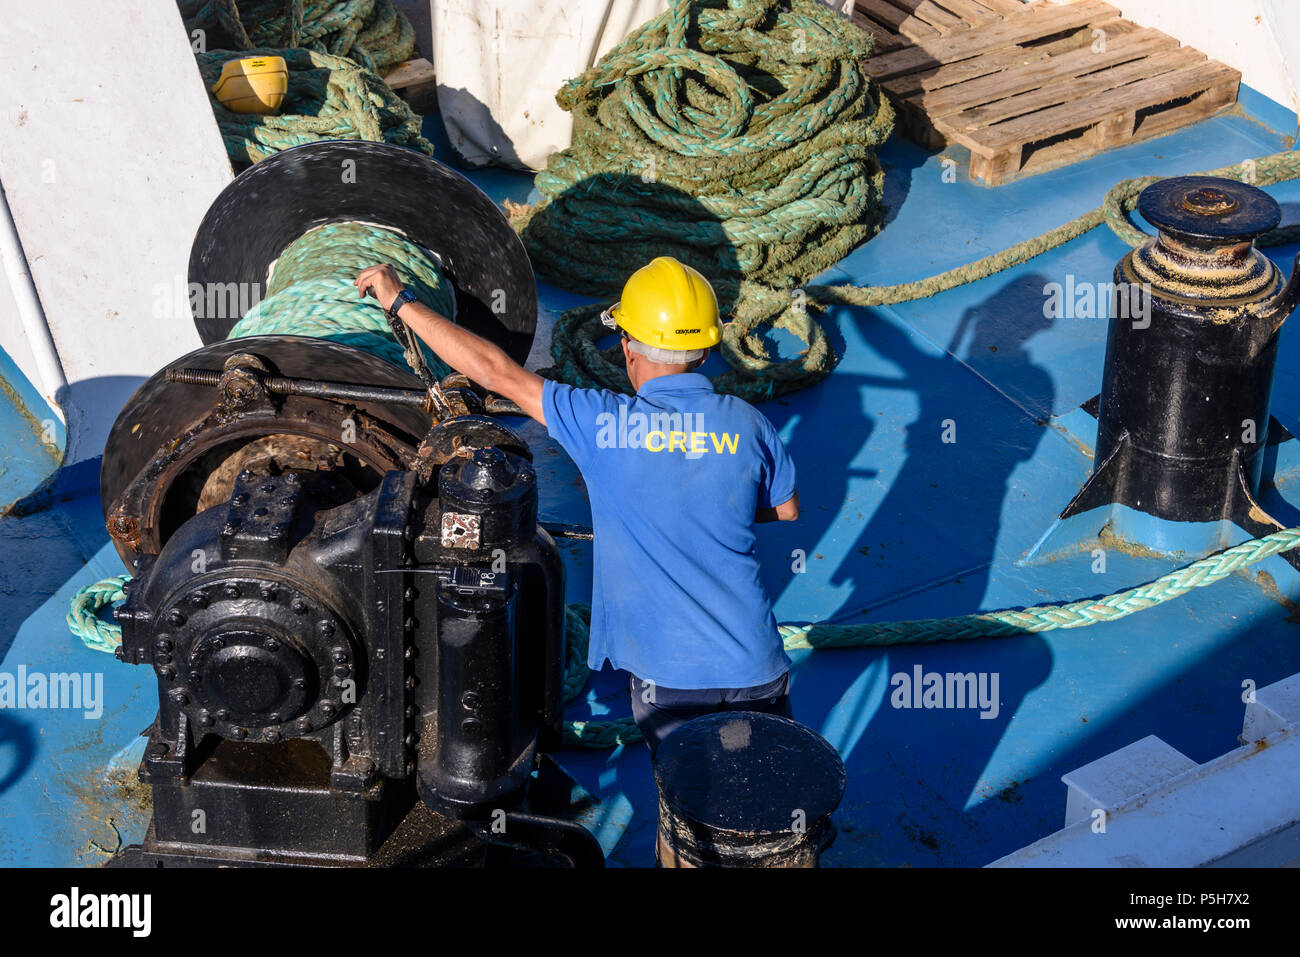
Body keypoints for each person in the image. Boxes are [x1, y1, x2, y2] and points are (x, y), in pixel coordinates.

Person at [355, 255, 800, 758]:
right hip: (758, 666)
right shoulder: (748, 423)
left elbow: (495, 371)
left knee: (691, 807)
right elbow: (785, 510)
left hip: (672, 682)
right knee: (766, 788)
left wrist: (400, 300)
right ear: (702, 353)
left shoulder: (601, 423)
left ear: (629, 347)